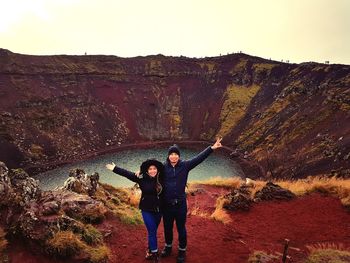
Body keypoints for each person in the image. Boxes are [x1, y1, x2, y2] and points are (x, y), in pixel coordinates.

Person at [161, 138, 223, 263]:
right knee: (167, 228)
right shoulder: (162, 167)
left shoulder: (185, 166)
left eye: (176, 154)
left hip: (180, 205)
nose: (173, 156)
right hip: (166, 205)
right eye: (171, 154)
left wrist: (211, 148)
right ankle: (168, 247)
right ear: (168, 156)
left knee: (181, 228)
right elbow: (150, 169)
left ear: (178, 156)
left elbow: (199, 158)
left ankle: (182, 251)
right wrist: (141, 170)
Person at [106, 159, 164, 261]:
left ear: (157, 169)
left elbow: (172, 171)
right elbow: (128, 174)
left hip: (159, 210)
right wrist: (115, 168)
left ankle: (150, 249)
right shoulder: (141, 179)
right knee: (152, 231)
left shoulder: (162, 178)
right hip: (146, 210)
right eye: (150, 169)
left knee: (153, 230)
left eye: (154, 169)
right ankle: (155, 256)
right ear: (146, 171)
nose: (153, 171)